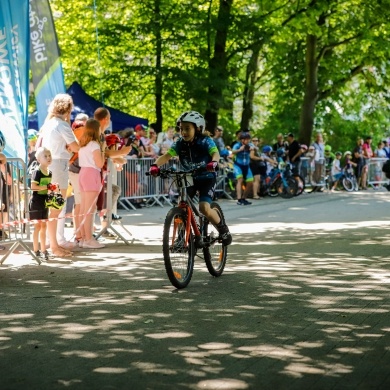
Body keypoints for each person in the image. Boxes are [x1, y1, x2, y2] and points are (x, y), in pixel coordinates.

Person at [149, 110, 232, 245]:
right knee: (181, 205)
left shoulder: (206, 140)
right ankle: (182, 237)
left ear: (198, 128)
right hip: (190, 178)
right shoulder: (180, 143)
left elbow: (215, 154)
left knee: (204, 208)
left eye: (187, 128)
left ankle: (223, 229)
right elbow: (166, 156)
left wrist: (214, 163)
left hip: (207, 177)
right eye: (181, 129)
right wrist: (154, 166)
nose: (183, 132)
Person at [40, 93, 79, 256]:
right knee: (55, 208)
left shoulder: (48, 123)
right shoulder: (62, 125)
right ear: (68, 109)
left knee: (53, 207)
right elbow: (76, 147)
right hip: (57, 166)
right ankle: (55, 247)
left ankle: (53, 244)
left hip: (50, 165)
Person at [78, 119, 106, 249]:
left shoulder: (84, 144)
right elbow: (100, 163)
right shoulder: (94, 144)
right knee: (89, 209)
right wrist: (103, 150)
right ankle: (88, 239)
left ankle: (85, 238)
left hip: (83, 173)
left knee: (84, 208)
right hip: (91, 173)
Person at [29, 147, 56, 260]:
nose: (48, 158)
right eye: (45, 156)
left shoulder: (49, 172)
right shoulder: (37, 172)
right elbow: (33, 187)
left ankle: (44, 250)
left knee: (44, 226)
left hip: (45, 202)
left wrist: (53, 189)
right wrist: (47, 187)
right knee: (37, 226)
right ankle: (36, 250)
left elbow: (48, 188)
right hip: (36, 202)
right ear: (38, 159)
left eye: (49, 155)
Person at [232, 132, 253, 205]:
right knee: (240, 180)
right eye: (246, 139)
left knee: (250, 182)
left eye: (248, 139)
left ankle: (244, 198)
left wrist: (252, 149)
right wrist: (239, 150)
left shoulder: (249, 145)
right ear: (242, 140)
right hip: (238, 165)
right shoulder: (237, 145)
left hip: (246, 166)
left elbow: (254, 148)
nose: (248, 141)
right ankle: (239, 199)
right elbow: (233, 151)